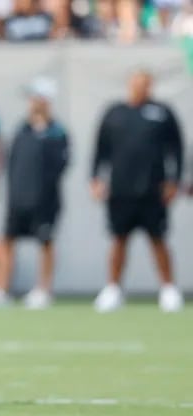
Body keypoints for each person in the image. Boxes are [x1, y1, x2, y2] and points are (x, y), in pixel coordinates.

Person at [91, 69, 185, 313]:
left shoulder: (162, 113)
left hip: (153, 188)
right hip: (121, 189)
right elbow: (100, 149)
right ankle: (113, 289)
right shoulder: (115, 113)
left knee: (158, 239)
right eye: (137, 83)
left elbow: (177, 148)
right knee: (119, 239)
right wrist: (96, 179)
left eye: (146, 84)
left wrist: (174, 180)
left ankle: (168, 289)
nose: (141, 88)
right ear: (129, 84)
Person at [0, 77, 69, 310]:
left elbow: (59, 167)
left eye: (36, 98)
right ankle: (0, 289)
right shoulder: (22, 129)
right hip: (18, 199)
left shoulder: (57, 133)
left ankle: (43, 290)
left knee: (45, 243)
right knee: (7, 241)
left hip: (45, 201)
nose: (32, 102)